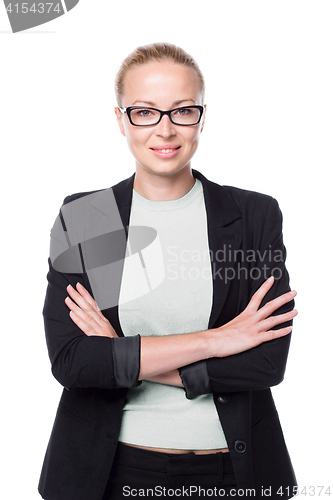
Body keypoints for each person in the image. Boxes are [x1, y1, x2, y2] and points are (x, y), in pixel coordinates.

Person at [38, 43, 298, 500]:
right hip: (111, 471)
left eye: (182, 111)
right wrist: (215, 341)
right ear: (120, 120)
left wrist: (122, 353)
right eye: (144, 112)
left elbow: (265, 362)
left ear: (201, 116)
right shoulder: (88, 216)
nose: (165, 129)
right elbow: (73, 361)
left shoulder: (253, 214)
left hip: (233, 473)